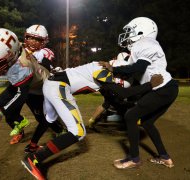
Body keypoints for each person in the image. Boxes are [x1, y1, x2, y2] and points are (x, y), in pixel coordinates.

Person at [20, 57, 163, 179]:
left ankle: (33, 146)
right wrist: (150, 85)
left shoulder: (100, 68)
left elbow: (116, 98)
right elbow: (122, 93)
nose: (118, 80)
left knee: (49, 119)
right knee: (78, 132)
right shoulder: (103, 71)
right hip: (59, 87)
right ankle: (34, 159)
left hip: (50, 85)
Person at [99, 17, 178, 169]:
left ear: (142, 31)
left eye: (130, 31)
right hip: (166, 88)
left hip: (162, 88)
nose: (127, 35)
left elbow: (139, 68)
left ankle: (134, 159)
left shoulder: (146, 42)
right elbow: (134, 73)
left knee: (130, 116)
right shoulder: (141, 47)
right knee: (147, 122)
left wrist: (113, 69)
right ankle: (165, 157)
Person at [0, 27, 65, 147]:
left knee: (42, 118)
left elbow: (22, 95)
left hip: (38, 88)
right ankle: (21, 122)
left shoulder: (23, 66)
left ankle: (61, 132)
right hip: (27, 81)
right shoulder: (16, 47)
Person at [88, 52, 131, 128]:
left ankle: (92, 119)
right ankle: (132, 120)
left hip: (107, 86)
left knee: (107, 104)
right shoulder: (127, 64)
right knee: (116, 104)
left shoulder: (112, 62)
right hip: (118, 87)